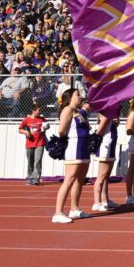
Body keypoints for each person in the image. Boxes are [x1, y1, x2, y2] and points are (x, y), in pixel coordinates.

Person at [52, 88, 91, 223]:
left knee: (80, 180)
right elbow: (61, 130)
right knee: (69, 179)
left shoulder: (78, 112)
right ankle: (58, 213)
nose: (80, 97)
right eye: (77, 95)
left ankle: (74, 209)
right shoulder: (68, 110)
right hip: (74, 147)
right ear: (70, 97)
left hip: (83, 148)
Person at [91, 114, 119, 212]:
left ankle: (105, 200)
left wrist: (115, 122)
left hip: (111, 144)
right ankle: (96, 202)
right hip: (105, 146)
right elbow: (100, 130)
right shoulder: (106, 113)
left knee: (107, 175)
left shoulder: (111, 113)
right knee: (102, 176)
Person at [18, 100, 46, 185]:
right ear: (33, 111)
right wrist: (26, 132)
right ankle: (30, 177)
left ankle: (36, 179)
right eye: (38, 110)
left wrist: (46, 128)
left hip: (40, 143)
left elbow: (45, 127)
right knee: (30, 161)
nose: (40, 112)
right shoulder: (26, 120)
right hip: (30, 144)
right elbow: (20, 129)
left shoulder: (42, 119)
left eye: (40, 110)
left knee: (38, 161)